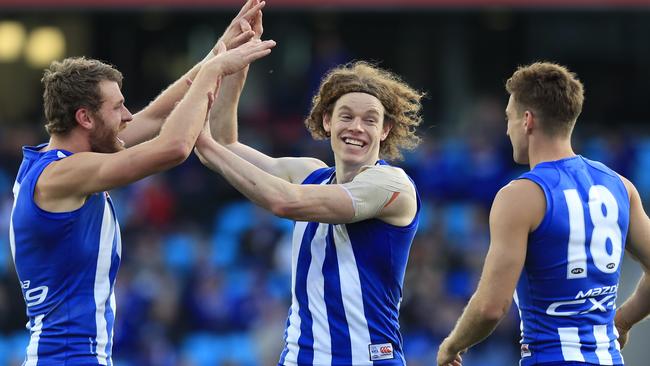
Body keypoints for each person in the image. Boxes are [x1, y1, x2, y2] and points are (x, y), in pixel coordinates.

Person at [7, 2, 276, 363]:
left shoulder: (55, 160)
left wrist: (222, 48)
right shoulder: (64, 174)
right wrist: (214, 71)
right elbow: (174, 147)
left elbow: (157, 115)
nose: (128, 115)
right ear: (84, 118)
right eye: (117, 108)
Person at [194, 49, 424, 364]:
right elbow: (226, 146)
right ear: (327, 121)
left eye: (370, 120)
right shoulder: (309, 173)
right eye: (346, 116)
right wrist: (236, 63)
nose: (357, 127)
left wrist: (199, 140)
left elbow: (284, 201)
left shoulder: (390, 185)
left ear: (385, 130)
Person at [436, 62, 650, 366]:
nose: (507, 129)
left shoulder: (520, 196)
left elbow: (491, 308)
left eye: (508, 118)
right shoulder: (620, 187)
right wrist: (623, 321)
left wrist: (451, 345)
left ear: (527, 121)